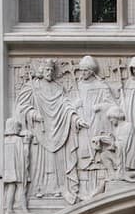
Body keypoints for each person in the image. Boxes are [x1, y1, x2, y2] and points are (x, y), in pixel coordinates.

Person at [16, 59, 87, 203]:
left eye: (51, 70)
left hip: (58, 130)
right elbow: (21, 108)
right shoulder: (32, 86)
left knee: (57, 163)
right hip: (40, 131)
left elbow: (66, 106)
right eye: (47, 70)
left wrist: (76, 119)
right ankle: (39, 189)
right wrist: (33, 114)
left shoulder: (57, 88)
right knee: (40, 163)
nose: (49, 72)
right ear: (41, 71)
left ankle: (58, 189)